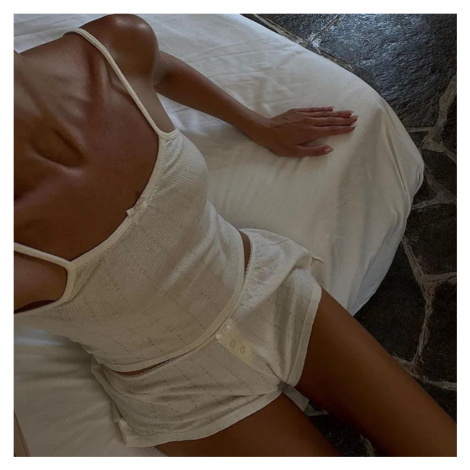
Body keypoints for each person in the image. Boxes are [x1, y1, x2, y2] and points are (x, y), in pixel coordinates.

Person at [14, 14, 456, 457]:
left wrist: (256, 123)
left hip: (270, 291)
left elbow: (160, 68)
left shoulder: (112, 46)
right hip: (179, 391)